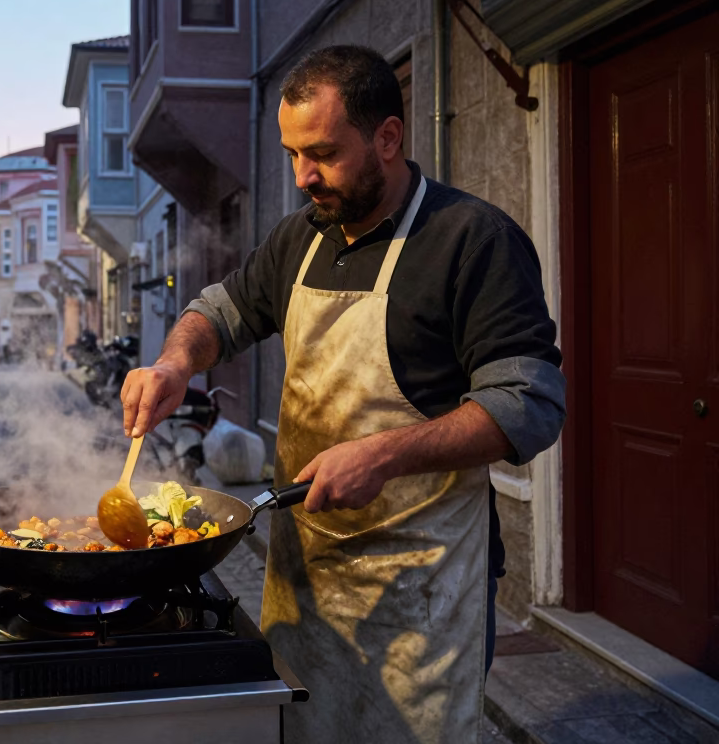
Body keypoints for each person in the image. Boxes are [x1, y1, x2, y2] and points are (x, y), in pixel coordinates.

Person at [120, 45, 565, 743]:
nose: (303, 177)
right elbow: (220, 312)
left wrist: (384, 455)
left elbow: (528, 404)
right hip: (306, 578)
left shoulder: (471, 240)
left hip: (420, 591)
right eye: (293, 155)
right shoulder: (300, 237)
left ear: (388, 137)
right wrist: (177, 363)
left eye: (322, 153)